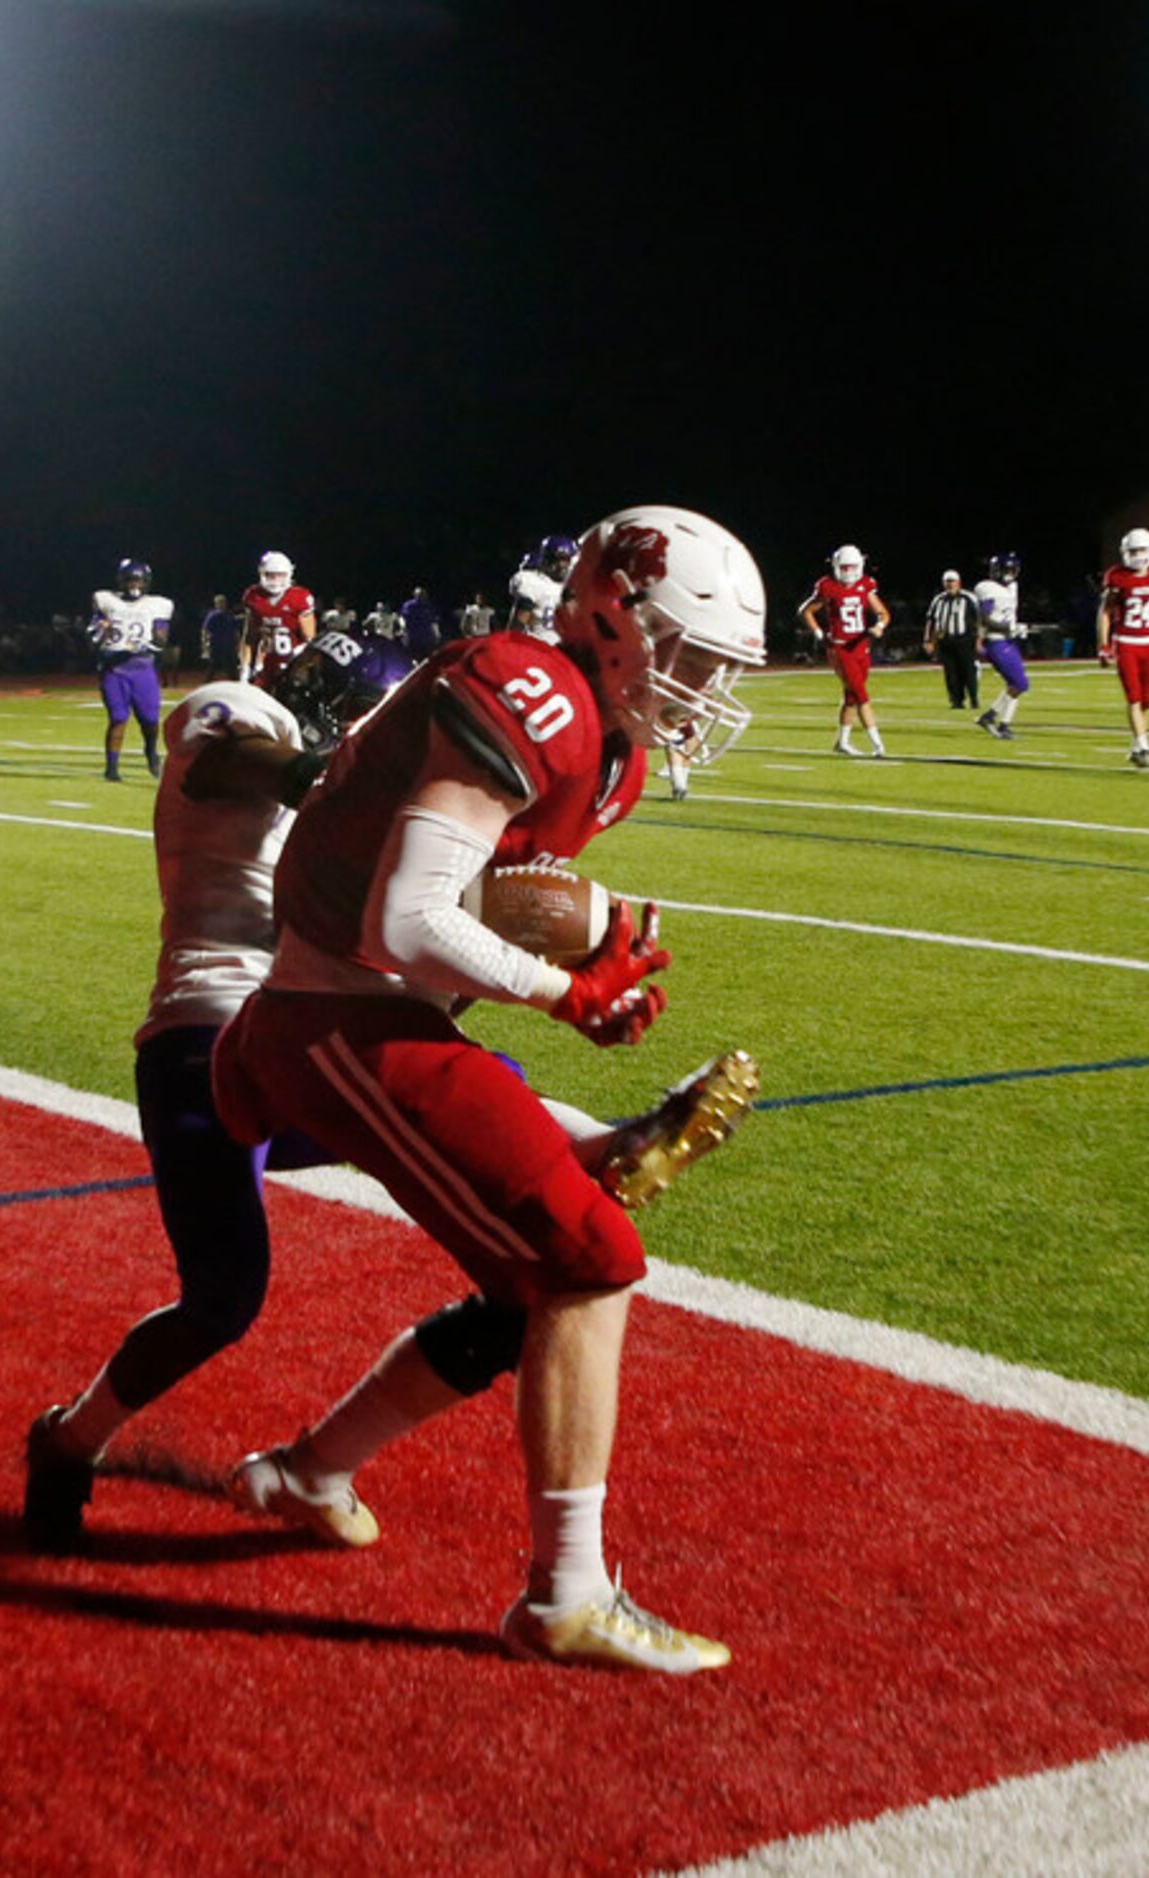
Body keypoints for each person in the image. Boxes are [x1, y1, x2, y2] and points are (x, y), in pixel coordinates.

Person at [22, 627, 755, 1557]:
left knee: (490, 1123)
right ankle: (69, 1440)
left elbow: (438, 896)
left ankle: (604, 1147)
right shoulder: (244, 715)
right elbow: (223, 763)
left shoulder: (373, 785)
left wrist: (583, 923)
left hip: (327, 1028)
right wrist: (330, 775)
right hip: (208, 1033)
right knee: (222, 1301)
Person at [213, 505, 765, 1673]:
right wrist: (567, 994)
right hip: (335, 1019)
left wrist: (594, 944)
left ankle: (309, 1473)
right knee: (587, 1259)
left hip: (379, 1017)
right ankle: (563, 1597)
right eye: (693, 653)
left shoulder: (607, 744)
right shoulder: (529, 689)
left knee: (533, 1294)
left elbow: (472, 899)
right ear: (612, 619)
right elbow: (405, 920)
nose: (705, 684)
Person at [1098, 529, 1149, 769]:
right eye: (1133, 551)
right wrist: (1104, 645)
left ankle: (1137, 746)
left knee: (1146, 701)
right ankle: (1144, 747)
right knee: (1134, 697)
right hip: (1126, 643)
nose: (1137, 555)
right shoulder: (1117, 576)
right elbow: (1105, 612)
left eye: (1141, 550)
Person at [89, 558, 175, 781]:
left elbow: (162, 638)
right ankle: (111, 768)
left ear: (146, 582)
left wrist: (153, 643)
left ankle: (150, 751)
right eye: (130, 580)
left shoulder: (158, 605)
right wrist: (100, 631)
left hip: (142, 667)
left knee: (150, 721)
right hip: (113, 669)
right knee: (118, 717)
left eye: (138, 581)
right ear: (121, 580)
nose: (134, 585)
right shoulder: (106, 601)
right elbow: (92, 636)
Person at [801, 544, 889, 756]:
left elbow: (883, 613)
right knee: (861, 696)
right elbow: (806, 611)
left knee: (851, 697)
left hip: (861, 646)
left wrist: (879, 626)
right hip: (840, 648)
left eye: (852, 567)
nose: (848, 572)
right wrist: (819, 633)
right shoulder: (828, 586)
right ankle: (878, 745)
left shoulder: (866, 585)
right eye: (845, 567)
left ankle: (842, 742)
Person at [973, 551, 1030, 740]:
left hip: (1007, 640)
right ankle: (994, 720)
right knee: (1020, 683)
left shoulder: (1012, 587)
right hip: (995, 640)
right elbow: (985, 618)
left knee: (1015, 684)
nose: (1011, 574)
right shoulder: (987, 588)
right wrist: (1009, 627)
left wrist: (1015, 628)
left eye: (1013, 570)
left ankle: (999, 723)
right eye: (1008, 570)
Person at [242, 551, 316, 685]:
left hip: (294, 665)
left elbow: (310, 641)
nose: (276, 580)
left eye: (280, 575)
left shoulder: (299, 597)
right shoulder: (254, 596)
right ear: (262, 574)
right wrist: (245, 667)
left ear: (288, 575)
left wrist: (301, 666)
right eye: (271, 575)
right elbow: (250, 637)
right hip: (266, 665)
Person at [923, 571, 979, 712]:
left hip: (965, 640)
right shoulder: (938, 600)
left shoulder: (969, 598)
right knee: (951, 673)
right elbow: (931, 621)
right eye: (947, 581)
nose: (950, 584)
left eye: (952, 581)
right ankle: (956, 701)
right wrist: (928, 640)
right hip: (945, 641)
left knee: (968, 671)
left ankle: (974, 699)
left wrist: (979, 639)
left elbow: (979, 619)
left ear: (958, 582)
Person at [508, 534, 576, 639]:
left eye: (569, 560)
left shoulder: (573, 588)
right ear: (548, 559)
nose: (568, 565)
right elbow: (517, 626)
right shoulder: (534, 582)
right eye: (563, 559)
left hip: (563, 651)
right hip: (537, 649)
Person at [201, 593, 243, 681]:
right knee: (213, 666)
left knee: (232, 665)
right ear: (215, 603)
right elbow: (205, 630)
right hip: (216, 644)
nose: (222, 604)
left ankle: (235, 682)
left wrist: (238, 642)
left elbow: (235, 629)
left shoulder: (229, 614)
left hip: (229, 644)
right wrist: (205, 645)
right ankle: (207, 683)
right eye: (219, 602)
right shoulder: (212, 615)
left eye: (223, 602)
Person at [398, 585, 441, 659]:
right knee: (414, 658)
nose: (420, 596)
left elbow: (433, 622)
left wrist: (437, 634)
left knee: (428, 659)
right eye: (418, 595)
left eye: (422, 594)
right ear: (414, 595)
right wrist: (403, 629)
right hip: (413, 637)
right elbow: (402, 617)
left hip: (427, 638)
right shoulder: (409, 605)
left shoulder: (428, 606)